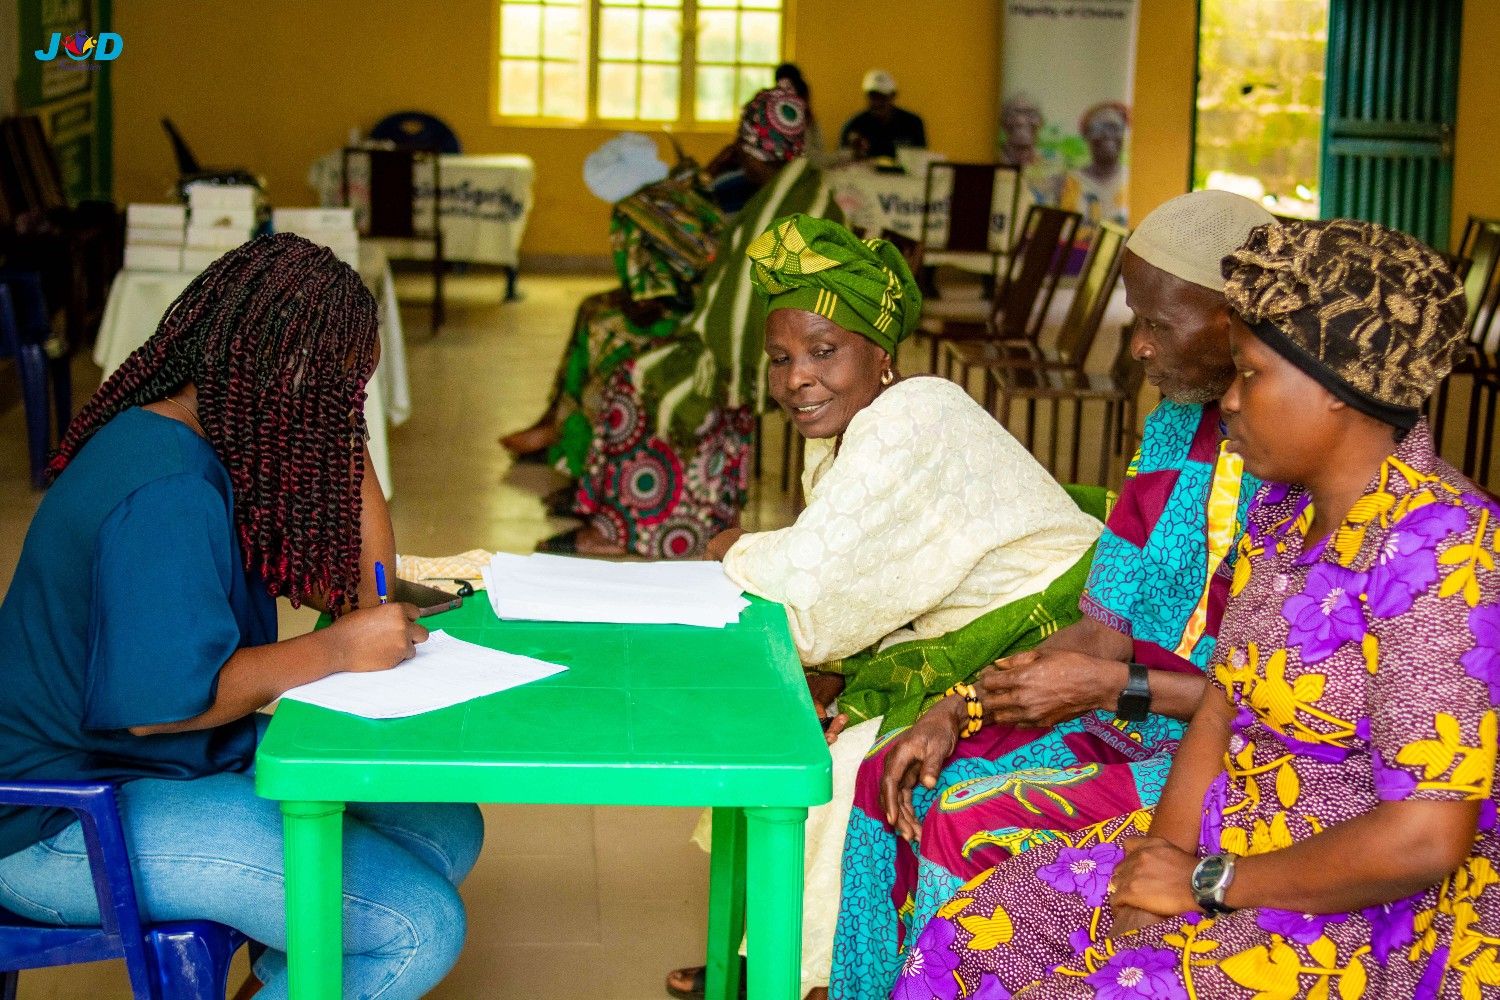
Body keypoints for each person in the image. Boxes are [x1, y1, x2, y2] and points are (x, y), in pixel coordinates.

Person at [895, 217, 1492, 1000]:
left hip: (1352, 903)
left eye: (1252, 375)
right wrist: (1157, 868)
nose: (1233, 401)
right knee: (970, 941)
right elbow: (1221, 707)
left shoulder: (1443, 554)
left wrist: (1209, 882)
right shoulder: (1284, 515)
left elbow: (1423, 839)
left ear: (1340, 389)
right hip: (1227, 843)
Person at [0, 235, 484, 1000]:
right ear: (271, 368)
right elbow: (162, 711)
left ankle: (280, 982)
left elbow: (372, 592)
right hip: (62, 814)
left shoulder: (222, 436)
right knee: (420, 924)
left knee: (444, 821)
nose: (340, 406)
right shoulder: (166, 490)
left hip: (160, 765)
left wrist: (342, 429)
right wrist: (332, 652)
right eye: (334, 388)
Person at [826, 190, 1276, 999]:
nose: (1136, 346)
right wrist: (956, 706)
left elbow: (1267, 704)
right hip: (1128, 712)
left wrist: (1113, 688)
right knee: (892, 771)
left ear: (1236, 320)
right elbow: (1103, 627)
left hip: (1219, 758)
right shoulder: (1177, 427)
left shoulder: (1291, 462)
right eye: (1134, 317)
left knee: (967, 818)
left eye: (1157, 324)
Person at [664, 215, 1103, 1000]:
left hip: (1049, 637)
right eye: (780, 359)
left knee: (833, 767)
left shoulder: (914, 416)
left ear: (882, 356)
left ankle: (812, 973)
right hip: (957, 635)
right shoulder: (851, 432)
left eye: (823, 352)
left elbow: (813, 602)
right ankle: (761, 944)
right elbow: (856, 574)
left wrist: (730, 546)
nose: (797, 378)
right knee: (791, 739)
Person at [550, 91, 841, 558]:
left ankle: (638, 530)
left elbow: (742, 307)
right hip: (781, 349)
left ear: (748, 147)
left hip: (751, 359)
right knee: (641, 365)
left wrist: (702, 346)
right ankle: (682, 519)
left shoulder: (777, 208)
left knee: (637, 381)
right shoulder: (801, 187)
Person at [500, 144, 726, 475]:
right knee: (589, 305)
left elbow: (645, 304)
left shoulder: (632, 212)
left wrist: (633, 302)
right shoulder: (678, 192)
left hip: (686, 317)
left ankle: (580, 454)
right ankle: (554, 419)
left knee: (601, 329)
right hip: (710, 303)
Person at [1061, 102, 1130, 231]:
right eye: (1099, 128)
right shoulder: (1069, 181)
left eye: (1115, 128)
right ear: (1086, 135)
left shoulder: (1133, 181)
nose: (1107, 134)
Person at [840, 70, 927, 161]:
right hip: (865, 174)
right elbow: (843, 162)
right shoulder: (854, 126)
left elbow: (921, 159)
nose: (877, 103)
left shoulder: (912, 123)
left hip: (904, 175)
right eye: (873, 97)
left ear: (893, 96)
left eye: (883, 97)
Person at [999, 92, 1063, 207]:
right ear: (1002, 122)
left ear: (1041, 122)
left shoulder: (1054, 165)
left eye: (1031, 114)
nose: (1021, 121)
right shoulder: (992, 159)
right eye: (1013, 114)